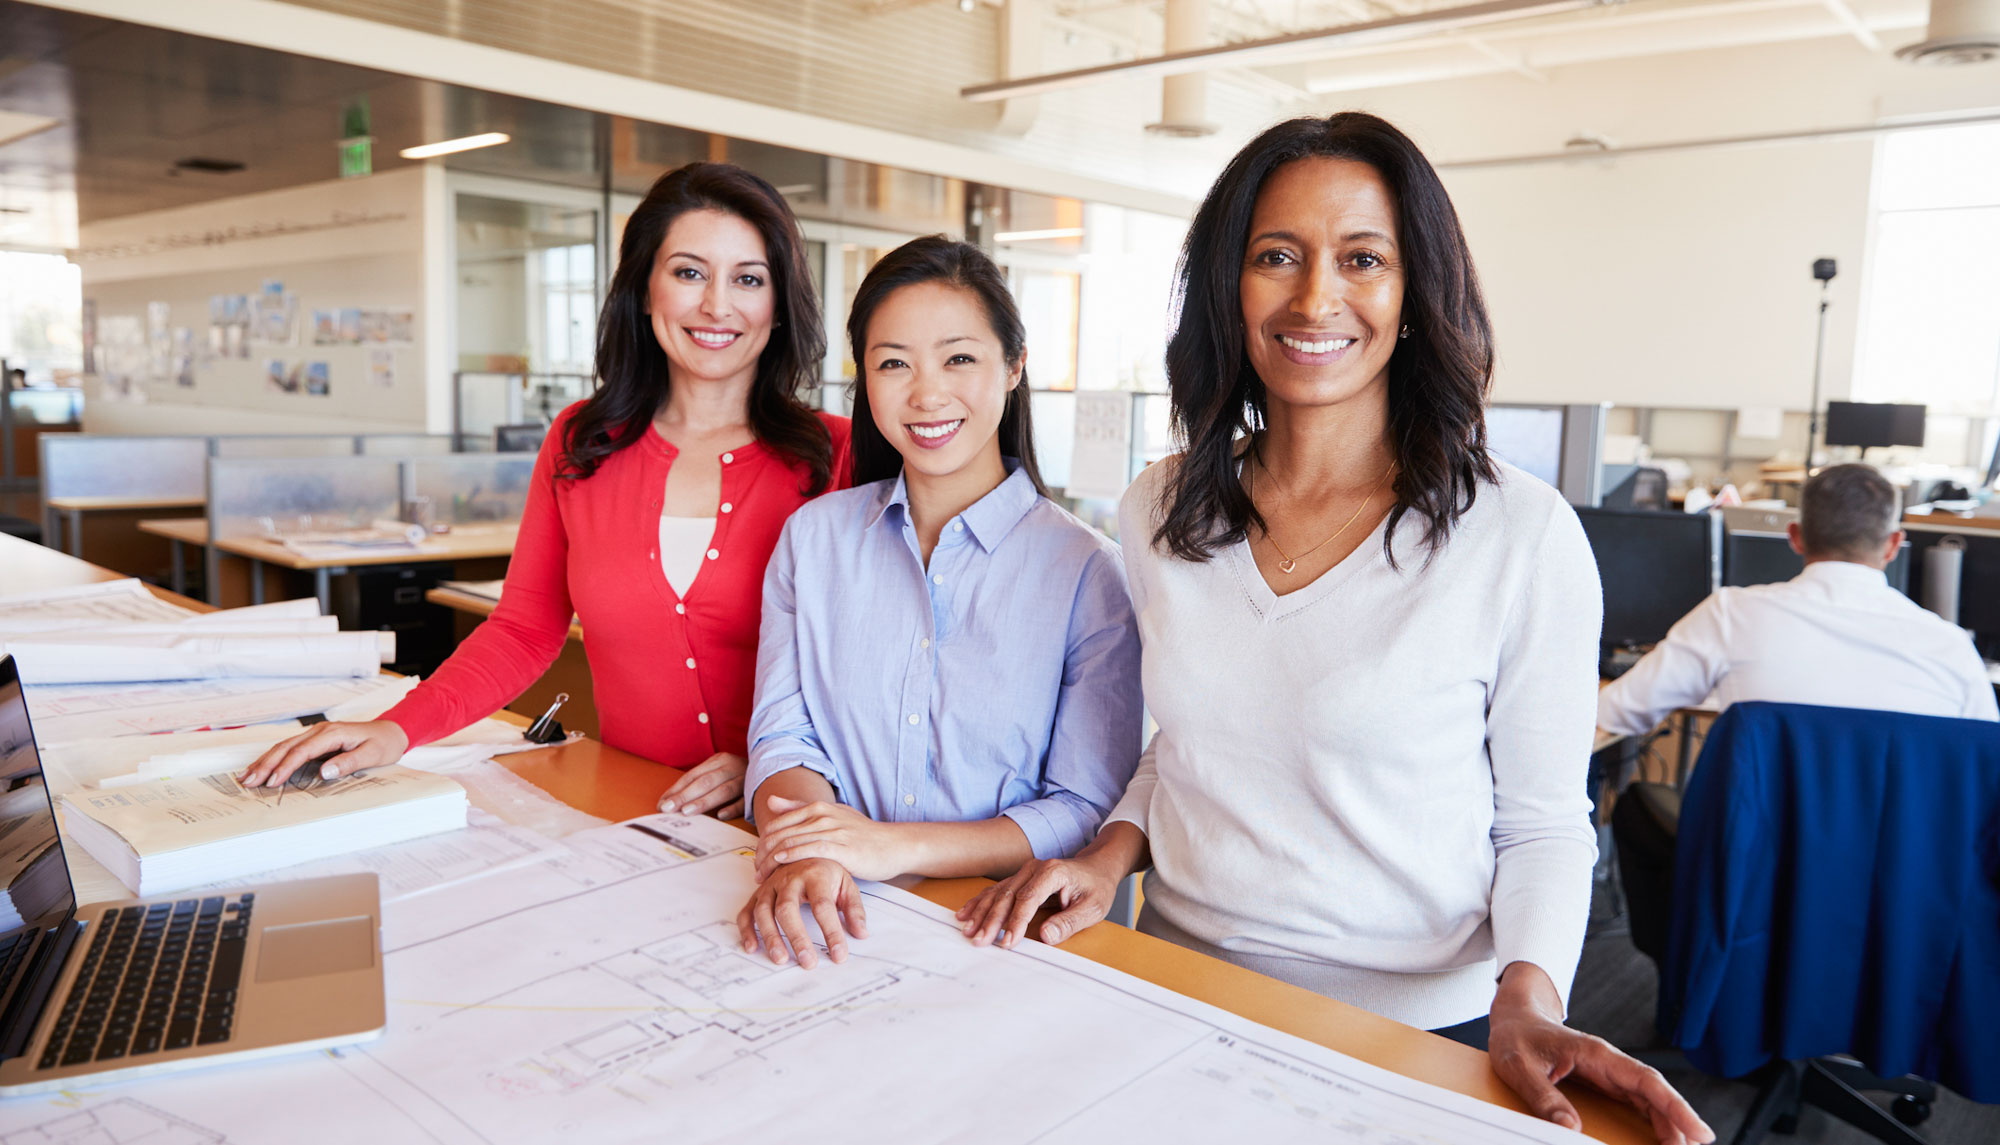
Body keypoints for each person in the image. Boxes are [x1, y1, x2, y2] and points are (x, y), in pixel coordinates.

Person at [957, 114, 1711, 1145]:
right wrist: (1106, 853)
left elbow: (1538, 820)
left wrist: (1528, 997)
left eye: (1361, 258)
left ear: (1413, 293)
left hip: (1415, 1026)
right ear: (1230, 285)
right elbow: (1180, 741)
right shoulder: (1161, 506)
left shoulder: (1517, 533)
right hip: (1173, 982)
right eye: (1276, 257)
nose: (1314, 298)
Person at [241, 163, 851, 819]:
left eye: (748, 279)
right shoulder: (582, 441)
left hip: (791, 821)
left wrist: (777, 758)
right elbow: (524, 629)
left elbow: (887, 663)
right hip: (633, 815)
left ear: (780, 304)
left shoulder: (838, 456)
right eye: (689, 272)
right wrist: (397, 728)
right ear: (645, 289)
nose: (716, 305)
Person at [734, 236, 1142, 970]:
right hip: (836, 916)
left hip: (995, 937)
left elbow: (1082, 804)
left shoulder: (1089, 572)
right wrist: (812, 850)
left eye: (959, 358)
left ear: (1014, 367)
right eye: (894, 362)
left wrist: (888, 847)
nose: (926, 394)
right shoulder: (814, 539)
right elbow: (784, 737)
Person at [1598, 463, 1997, 733]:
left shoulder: (1730, 615)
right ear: (1893, 545)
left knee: (1638, 806)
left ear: (1794, 536)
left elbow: (1617, 713)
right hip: (1903, 857)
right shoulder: (1951, 648)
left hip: (1758, 855)